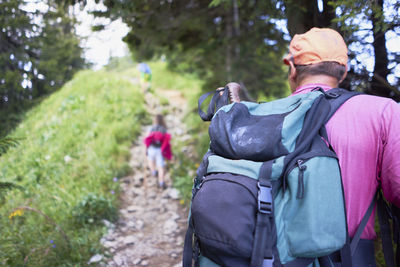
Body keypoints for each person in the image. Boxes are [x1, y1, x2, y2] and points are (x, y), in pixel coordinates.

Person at [281, 27, 400, 265]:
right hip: (351, 257)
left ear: (293, 69)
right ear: (343, 72)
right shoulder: (383, 111)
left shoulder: (265, 116)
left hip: (275, 256)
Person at [144, 114, 172, 189]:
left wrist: (146, 149)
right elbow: (167, 141)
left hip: (151, 148)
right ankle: (161, 182)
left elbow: (147, 139)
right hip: (160, 150)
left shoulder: (151, 128)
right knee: (161, 167)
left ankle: (153, 172)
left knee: (150, 161)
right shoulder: (164, 129)